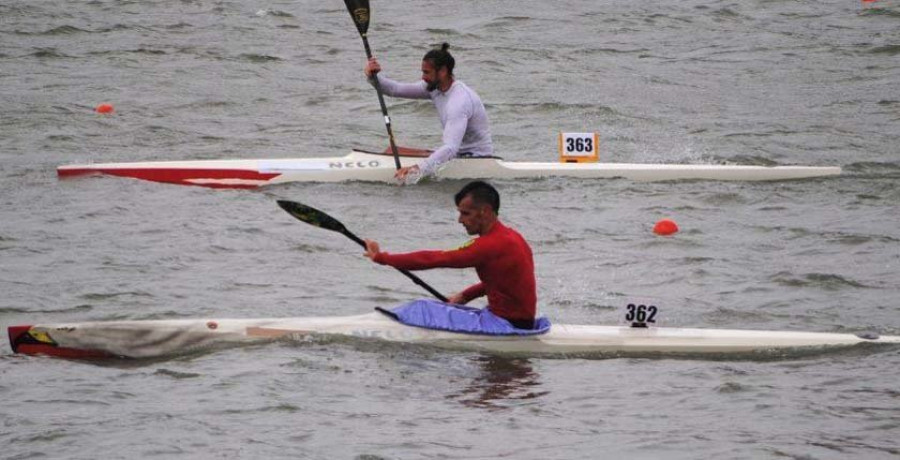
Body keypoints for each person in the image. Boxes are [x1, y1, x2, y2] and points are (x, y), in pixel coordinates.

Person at [363, 181, 536, 329]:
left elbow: (433, 259)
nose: (460, 220)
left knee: (422, 307)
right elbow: (503, 281)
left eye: (465, 213)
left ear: (485, 211)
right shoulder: (513, 237)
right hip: (520, 321)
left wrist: (382, 258)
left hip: (506, 324)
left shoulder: (490, 245)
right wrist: (465, 296)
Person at [364, 43, 493, 182]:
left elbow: (450, 148)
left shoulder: (459, 101)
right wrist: (373, 77)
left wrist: (417, 169)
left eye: (426, 72)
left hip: (475, 158)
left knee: (412, 157)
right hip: (457, 153)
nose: (423, 77)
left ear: (443, 71)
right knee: (390, 150)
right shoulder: (434, 88)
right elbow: (395, 89)